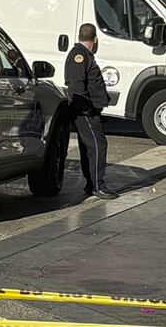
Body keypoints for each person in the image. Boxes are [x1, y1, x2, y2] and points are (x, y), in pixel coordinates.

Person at [64, 23, 117, 201]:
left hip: (87, 110)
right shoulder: (79, 56)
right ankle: (97, 185)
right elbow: (77, 87)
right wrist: (87, 109)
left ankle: (91, 183)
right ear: (95, 40)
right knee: (97, 145)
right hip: (84, 112)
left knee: (89, 147)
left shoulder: (84, 55)